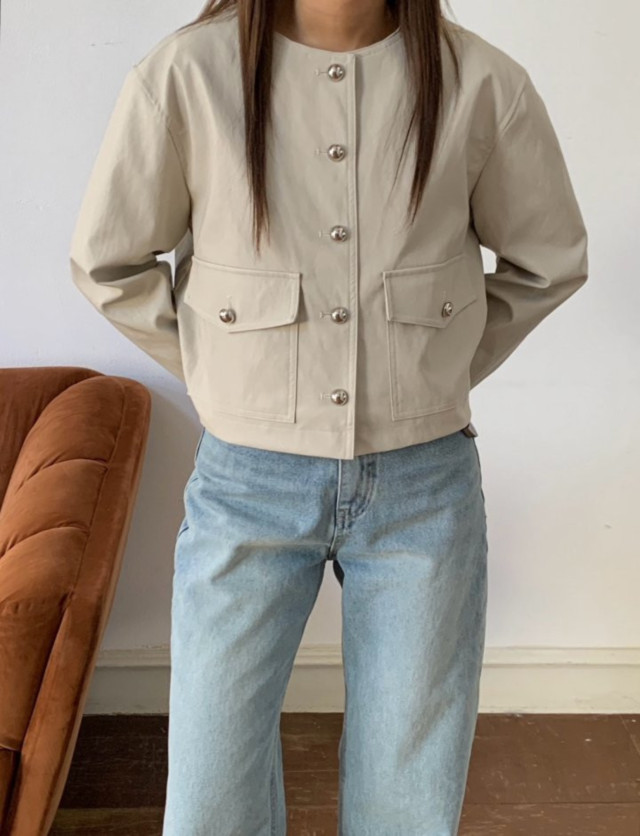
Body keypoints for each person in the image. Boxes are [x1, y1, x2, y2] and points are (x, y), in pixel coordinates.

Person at [68, 0, 589, 833]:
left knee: (408, 791)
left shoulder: (482, 83)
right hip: (246, 482)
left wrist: (434, 372)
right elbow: (109, 262)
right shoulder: (188, 77)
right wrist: (229, 378)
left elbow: (549, 259)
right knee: (210, 794)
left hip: (425, 482)